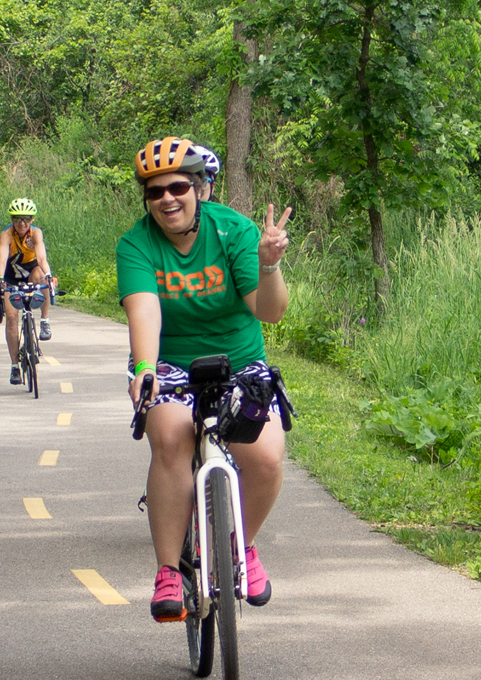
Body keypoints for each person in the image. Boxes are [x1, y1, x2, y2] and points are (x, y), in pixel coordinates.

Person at [117, 136, 292, 623]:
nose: (167, 199)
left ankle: (243, 547)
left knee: (266, 457)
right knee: (171, 438)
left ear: (198, 188)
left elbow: (270, 312)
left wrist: (270, 264)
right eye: (155, 193)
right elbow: (144, 311)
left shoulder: (232, 229)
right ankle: (170, 571)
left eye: (177, 187)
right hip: (170, 363)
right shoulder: (136, 244)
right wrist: (146, 369)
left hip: (240, 362)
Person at [0, 198, 54, 385]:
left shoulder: (35, 233)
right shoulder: (7, 235)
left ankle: (44, 321)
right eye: (18, 219)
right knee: (12, 319)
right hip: (11, 276)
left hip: (31, 273)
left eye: (26, 219)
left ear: (32, 219)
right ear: (12, 220)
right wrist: (0, 280)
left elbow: (42, 258)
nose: (22, 223)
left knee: (43, 277)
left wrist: (50, 275)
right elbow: (2, 261)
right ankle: (14, 366)